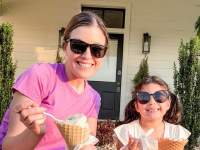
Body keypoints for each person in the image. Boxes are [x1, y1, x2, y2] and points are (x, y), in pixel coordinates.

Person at [1, 11, 109, 150]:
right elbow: (9, 147)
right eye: (78, 46)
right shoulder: (40, 76)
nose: (87, 56)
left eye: (97, 50)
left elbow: (84, 144)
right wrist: (36, 134)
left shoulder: (93, 98)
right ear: (65, 47)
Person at [113, 76, 191, 150]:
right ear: (136, 106)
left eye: (159, 96)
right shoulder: (125, 132)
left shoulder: (176, 133)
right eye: (144, 97)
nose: (152, 102)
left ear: (168, 104)